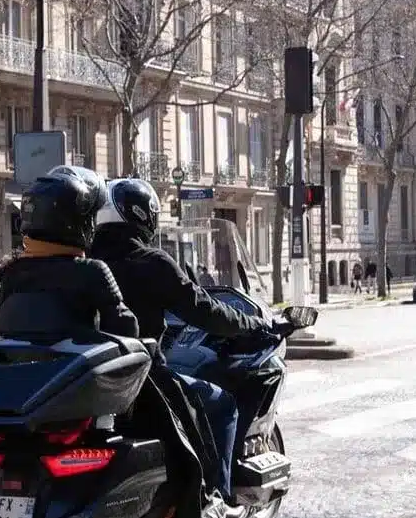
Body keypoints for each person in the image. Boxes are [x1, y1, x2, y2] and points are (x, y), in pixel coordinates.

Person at [89, 178, 278, 503]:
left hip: (95, 381)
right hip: (144, 379)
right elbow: (204, 310)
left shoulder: (85, 262)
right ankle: (216, 496)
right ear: (143, 215)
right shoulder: (151, 261)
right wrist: (252, 324)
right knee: (222, 405)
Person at [0, 168, 139, 340]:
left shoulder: (12, 272)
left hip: (23, 357)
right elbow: (126, 328)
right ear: (76, 221)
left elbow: (3, 328)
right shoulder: (92, 271)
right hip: (78, 357)